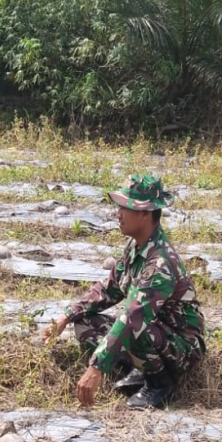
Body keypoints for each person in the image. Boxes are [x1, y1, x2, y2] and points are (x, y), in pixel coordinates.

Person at [42, 174, 205, 409]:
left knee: (133, 329)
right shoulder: (135, 247)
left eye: (125, 208)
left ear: (145, 214)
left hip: (182, 347)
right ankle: (138, 369)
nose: (118, 214)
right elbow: (108, 290)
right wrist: (66, 317)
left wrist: (96, 367)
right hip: (154, 332)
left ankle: (159, 383)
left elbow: (132, 318)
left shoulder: (160, 263)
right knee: (85, 322)